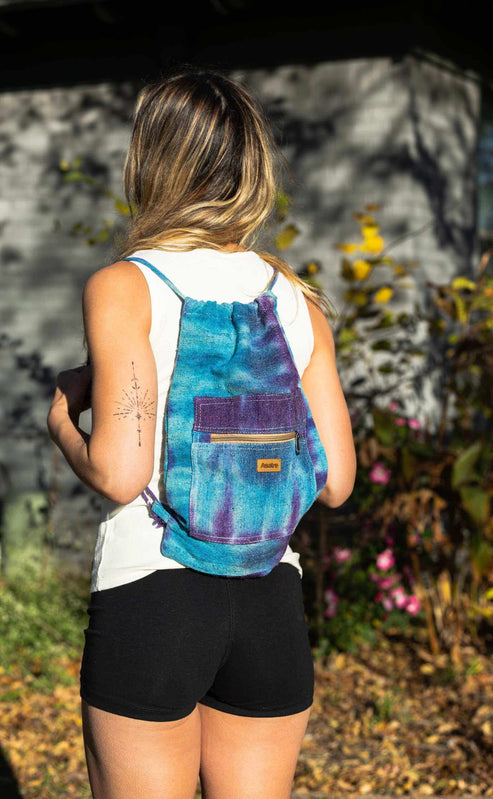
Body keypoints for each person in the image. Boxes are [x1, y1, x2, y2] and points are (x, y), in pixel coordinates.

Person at [47, 67, 357, 799]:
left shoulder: (125, 285)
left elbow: (121, 473)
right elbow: (338, 482)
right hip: (270, 602)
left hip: (152, 597)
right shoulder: (297, 300)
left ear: (152, 163)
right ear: (252, 169)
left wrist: (62, 419)